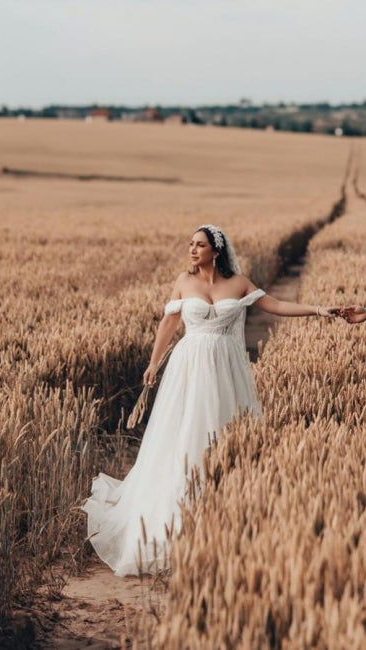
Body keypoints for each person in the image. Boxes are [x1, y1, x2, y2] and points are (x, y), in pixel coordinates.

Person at [80, 224, 338, 577]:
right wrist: (154, 364)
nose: (192, 249)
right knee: (184, 433)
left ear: (216, 251)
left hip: (225, 370)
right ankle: (174, 518)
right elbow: (168, 324)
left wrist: (321, 310)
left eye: (199, 245)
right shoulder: (184, 282)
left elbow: (276, 305)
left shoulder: (239, 283)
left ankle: (222, 514)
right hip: (189, 368)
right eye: (190, 244)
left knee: (222, 432)